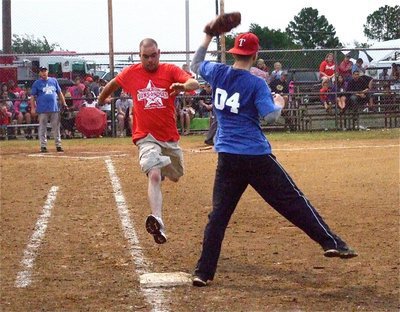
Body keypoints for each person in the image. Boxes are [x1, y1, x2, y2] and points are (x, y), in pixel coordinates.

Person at [190, 31, 357, 287]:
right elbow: (270, 117)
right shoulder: (256, 83)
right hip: (256, 156)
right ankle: (331, 242)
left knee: (219, 216)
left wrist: (207, 36)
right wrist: (279, 102)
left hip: (227, 157)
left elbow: (196, 64)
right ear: (255, 55)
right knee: (293, 201)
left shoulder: (218, 72)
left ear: (235, 52)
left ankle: (203, 272)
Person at [98, 38, 199, 244]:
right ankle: (158, 221)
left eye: (153, 55)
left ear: (159, 53)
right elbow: (112, 84)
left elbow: (194, 83)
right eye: (146, 56)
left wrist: (183, 85)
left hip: (169, 138)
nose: (150, 60)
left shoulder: (170, 70)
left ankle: (162, 172)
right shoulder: (131, 72)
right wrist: (101, 100)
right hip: (146, 137)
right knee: (153, 174)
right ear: (139, 55)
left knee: (176, 175)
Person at [30, 66, 66, 153]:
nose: (43, 73)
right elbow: (32, 96)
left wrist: (64, 102)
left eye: (45, 71)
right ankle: (43, 146)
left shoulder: (54, 80)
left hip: (54, 108)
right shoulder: (37, 83)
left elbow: (59, 92)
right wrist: (33, 108)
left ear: (47, 72)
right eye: (42, 71)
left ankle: (58, 145)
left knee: (56, 128)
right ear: (39, 73)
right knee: (42, 127)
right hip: (42, 109)